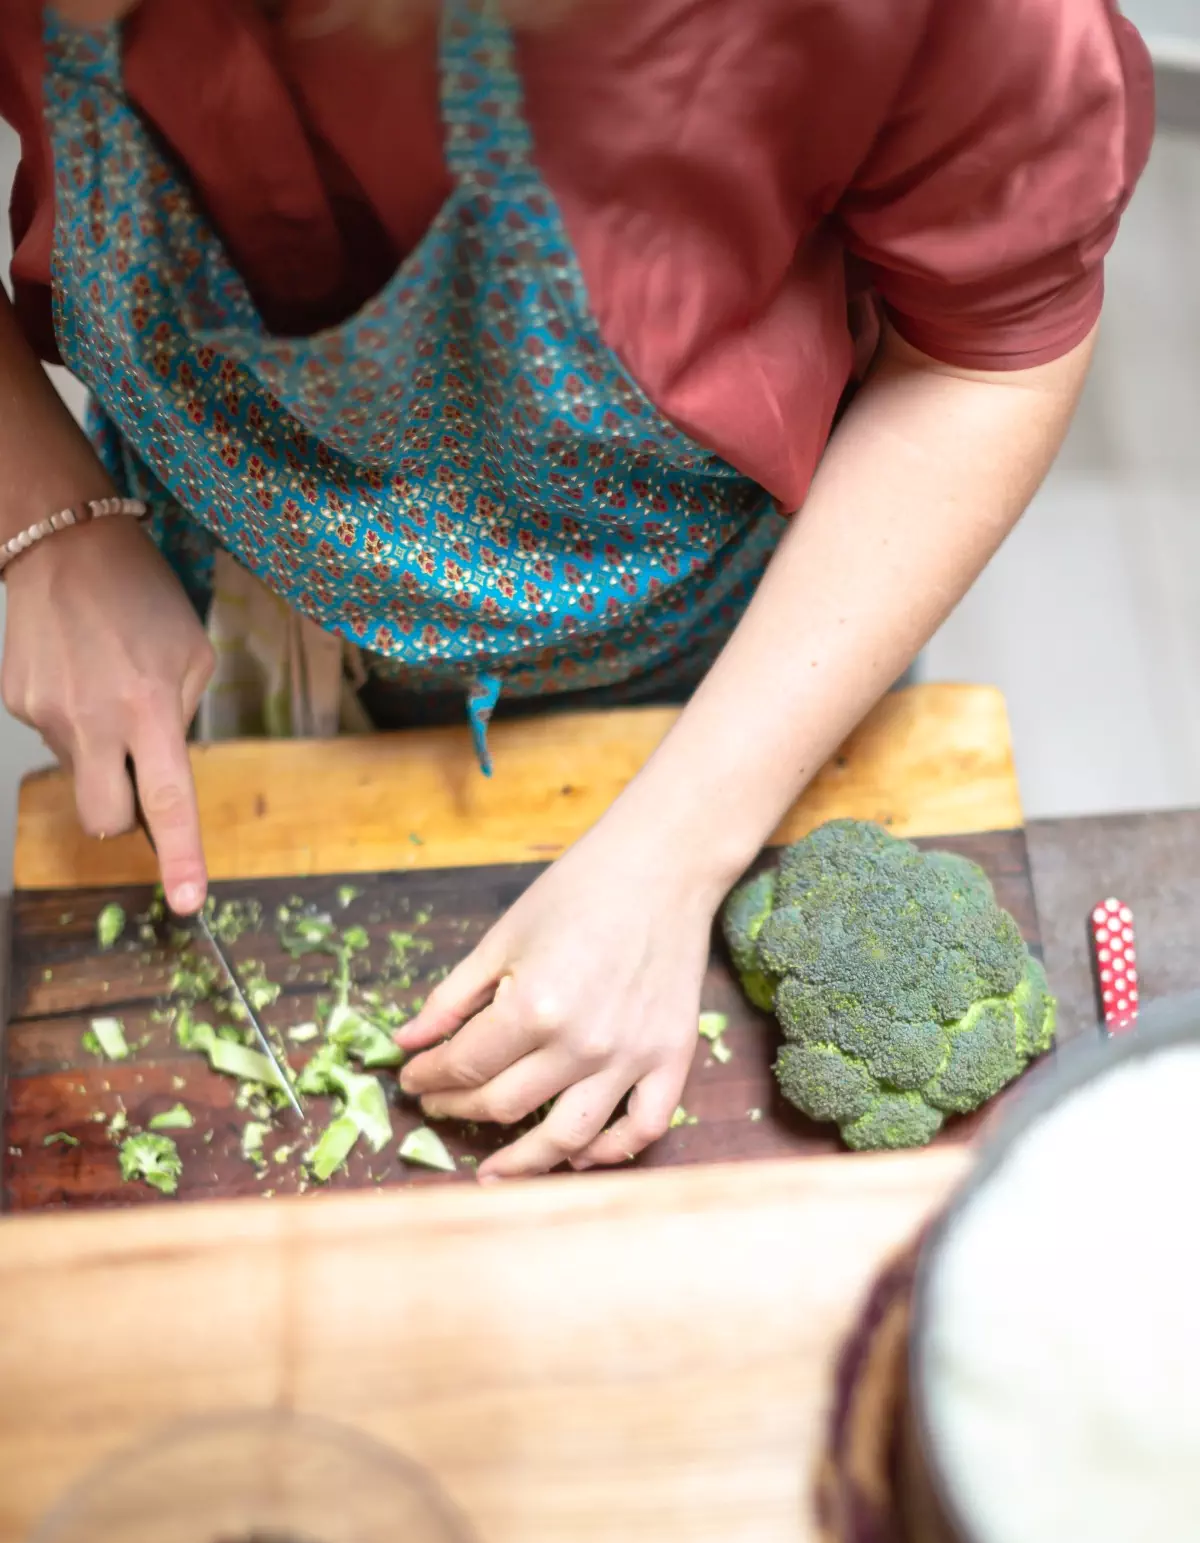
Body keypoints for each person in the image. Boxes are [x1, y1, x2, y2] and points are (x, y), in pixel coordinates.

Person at [0, 0, 1152, 1176]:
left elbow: (984, 355)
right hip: (211, 580)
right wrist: (49, 520)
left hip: (725, 641)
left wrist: (676, 852)